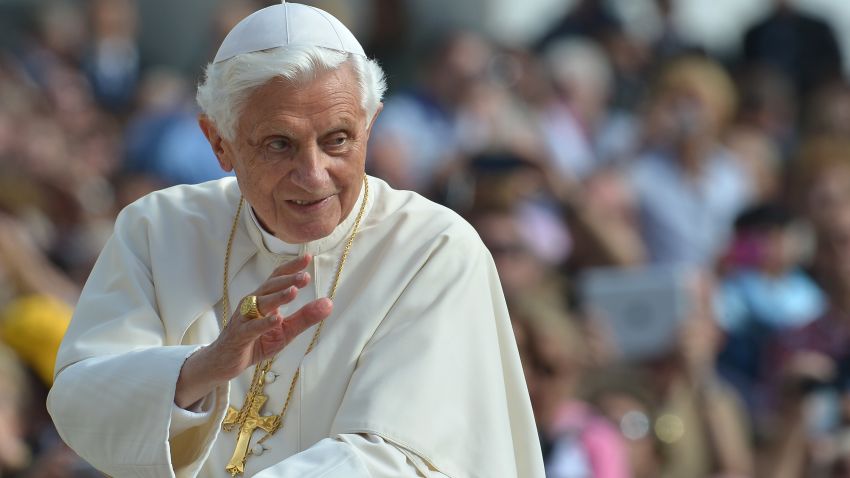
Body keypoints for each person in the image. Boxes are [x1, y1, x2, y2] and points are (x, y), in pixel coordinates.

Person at [46, 3, 544, 478]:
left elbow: (404, 455)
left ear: (370, 126)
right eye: (279, 144)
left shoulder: (433, 248)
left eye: (338, 140)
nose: (313, 175)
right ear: (219, 142)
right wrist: (198, 370)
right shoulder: (160, 229)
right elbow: (79, 403)